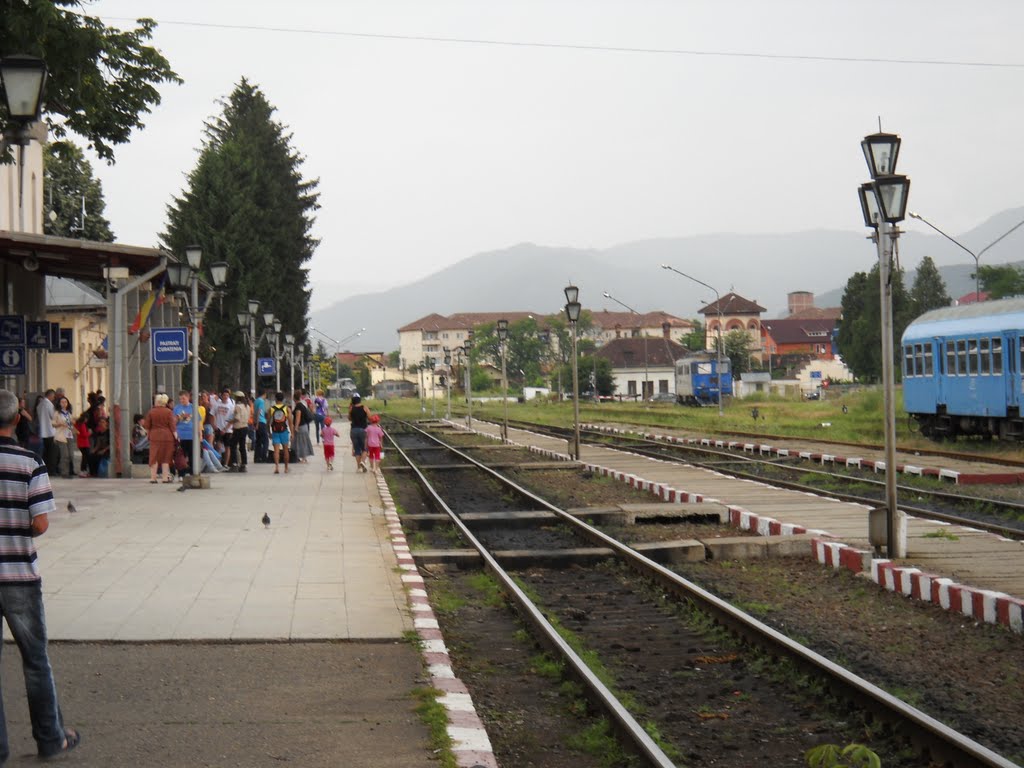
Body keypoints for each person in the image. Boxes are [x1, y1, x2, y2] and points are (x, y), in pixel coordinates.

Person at [0, 389, 82, 761]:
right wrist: (20, 531)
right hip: (19, 576)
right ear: (18, 419)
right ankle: (50, 739)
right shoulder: (30, 463)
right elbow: (41, 523)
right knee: (35, 660)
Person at [142, 393, 176, 483]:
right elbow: (172, 426)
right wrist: (176, 436)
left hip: (155, 436)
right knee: (166, 457)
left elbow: (147, 426)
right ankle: (165, 478)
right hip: (167, 437)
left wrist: (148, 435)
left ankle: (153, 478)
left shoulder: (151, 412)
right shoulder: (169, 412)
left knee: (154, 457)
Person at [51, 396, 76, 478]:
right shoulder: (57, 413)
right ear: (59, 403)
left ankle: (68, 471)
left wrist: (73, 422)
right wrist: (60, 424)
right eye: (62, 402)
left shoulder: (68, 413)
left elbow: (72, 422)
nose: (64, 404)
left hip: (69, 434)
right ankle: (64, 472)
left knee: (71, 455)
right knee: (64, 455)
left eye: (65, 402)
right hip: (61, 435)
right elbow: (53, 423)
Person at [268, 392, 291, 474]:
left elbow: (268, 422)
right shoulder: (287, 408)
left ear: (275, 399)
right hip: (284, 431)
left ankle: (277, 467)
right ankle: (286, 468)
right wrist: (292, 433)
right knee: (285, 450)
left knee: (276, 451)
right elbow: (290, 422)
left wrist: (269, 432)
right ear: (283, 399)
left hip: (275, 431)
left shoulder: (271, 408)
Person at [212, 388, 235, 469]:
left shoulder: (231, 406)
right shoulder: (216, 404)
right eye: (224, 395)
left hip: (227, 429)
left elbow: (232, 420)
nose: (225, 397)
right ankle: (218, 462)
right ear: (221, 395)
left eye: (227, 395)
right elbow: (212, 414)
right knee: (217, 445)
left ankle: (226, 463)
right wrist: (214, 425)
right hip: (218, 428)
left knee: (227, 446)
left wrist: (225, 429)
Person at [35, 389, 57, 473]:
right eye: (53, 396)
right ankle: (52, 470)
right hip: (50, 431)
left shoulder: (40, 404)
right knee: (52, 452)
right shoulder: (49, 404)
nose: (54, 398)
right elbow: (53, 417)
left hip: (43, 431)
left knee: (46, 452)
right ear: (50, 395)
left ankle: (45, 468)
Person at [348, 394, 370, 472]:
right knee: (365, 448)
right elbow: (370, 417)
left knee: (357, 449)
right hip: (363, 430)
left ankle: (359, 468)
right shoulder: (365, 407)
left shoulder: (351, 408)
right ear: (360, 399)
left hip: (353, 430)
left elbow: (349, 418)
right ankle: (363, 462)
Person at [291, 390, 314, 463]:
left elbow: (298, 417)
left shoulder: (298, 406)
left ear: (294, 398)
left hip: (300, 427)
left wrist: (296, 427)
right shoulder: (302, 405)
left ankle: (303, 458)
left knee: (300, 442)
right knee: (302, 442)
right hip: (304, 426)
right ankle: (301, 457)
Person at [230, 392, 250, 472]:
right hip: (245, 427)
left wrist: (230, 421)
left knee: (233, 445)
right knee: (242, 446)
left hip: (238, 428)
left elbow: (237, 418)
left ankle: (234, 463)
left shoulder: (238, 407)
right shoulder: (247, 406)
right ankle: (243, 464)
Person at [253, 390, 269, 463]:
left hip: (256, 422)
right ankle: (263, 457)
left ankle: (257, 457)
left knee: (258, 441)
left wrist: (255, 422)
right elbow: (259, 411)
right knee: (265, 441)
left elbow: (254, 412)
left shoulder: (256, 401)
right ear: (264, 394)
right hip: (261, 422)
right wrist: (258, 423)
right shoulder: (261, 401)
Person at [74, 412, 91, 477]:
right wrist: (89, 433)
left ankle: (83, 471)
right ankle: (83, 471)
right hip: (84, 443)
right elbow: (84, 434)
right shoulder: (82, 424)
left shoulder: (77, 424)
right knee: (85, 457)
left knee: (84, 457)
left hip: (80, 443)